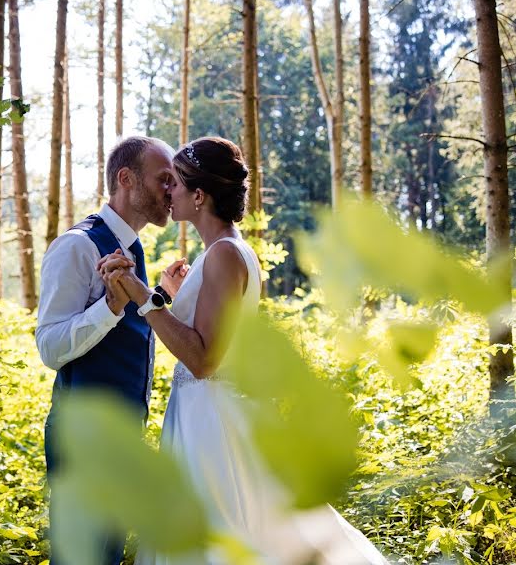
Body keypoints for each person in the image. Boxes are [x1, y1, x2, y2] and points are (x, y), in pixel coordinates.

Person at [99, 136, 390, 565]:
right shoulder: (221, 253)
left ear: (199, 196)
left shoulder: (224, 255)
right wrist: (166, 294)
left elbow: (202, 359)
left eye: (176, 184)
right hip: (203, 415)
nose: (168, 192)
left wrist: (144, 297)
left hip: (213, 423)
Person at [36, 135, 175, 565]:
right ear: (126, 179)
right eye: (163, 180)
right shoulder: (77, 246)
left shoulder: (135, 250)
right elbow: (50, 346)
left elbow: (125, 330)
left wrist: (159, 296)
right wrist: (112, 305)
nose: (172, 190)